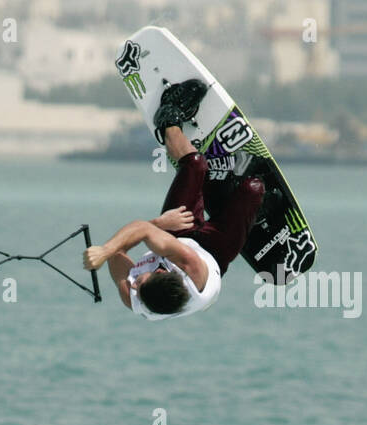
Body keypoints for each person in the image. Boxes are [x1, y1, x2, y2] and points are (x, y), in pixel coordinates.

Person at [82, 80, 266, 320]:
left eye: (135, 285)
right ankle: (237, 202)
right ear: (163, 271)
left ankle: (168, 118)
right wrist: (152, 227)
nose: (134, 283)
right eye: (141, 282)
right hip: (215, 250)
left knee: (195, 164)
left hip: (177, 232)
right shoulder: (192, 268)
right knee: (255, 188)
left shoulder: (134, 298)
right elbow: (142, 229)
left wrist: (106, 251)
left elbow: (117, 254)